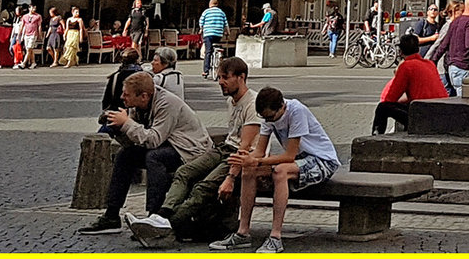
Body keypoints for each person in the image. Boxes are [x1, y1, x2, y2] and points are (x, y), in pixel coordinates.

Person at [76, 70, 213, 236]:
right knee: (125, 155)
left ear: (144, 96)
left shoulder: (167, 103)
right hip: (168, 145)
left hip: (190, 151)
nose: (122, 97)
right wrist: (119, 129)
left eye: (126, 94)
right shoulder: (137, 106)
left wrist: (126, 123)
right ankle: (111, 216)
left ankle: (154, 216)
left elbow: (153, 139)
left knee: (154, 158)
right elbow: (135, 141)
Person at [143, 56, 261, 244]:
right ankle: (162, 215)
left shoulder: (253, 103)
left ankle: (169, 225)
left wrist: (230, 178)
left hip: (240, 157)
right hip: (224, 148)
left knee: (203, 187)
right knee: (184, 172)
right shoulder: (231, 101)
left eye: (225, 77)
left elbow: (245, 148)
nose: (220, 82)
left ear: (241, 77)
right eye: (219, 77)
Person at [212, 87, 339, 253]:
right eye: (265, 118)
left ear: (282, 107)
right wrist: (245, 161)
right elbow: (259, 151)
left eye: (271, 117)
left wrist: (257, 160)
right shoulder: (268, 117)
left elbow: (289, 156)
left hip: (322, 160)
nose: (268, 121)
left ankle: (275, 236)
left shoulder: (296, 111)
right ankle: (242, 233)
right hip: (300, 160)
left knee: (281, 171)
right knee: (249, 170)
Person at [373, 33, 445, 133]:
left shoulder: (406, 67)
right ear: (418, 49)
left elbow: (391, 96)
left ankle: (376, 136)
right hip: (440, 109)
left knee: (382, 108)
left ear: (401, 52)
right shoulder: (430, 64)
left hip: (421, 111)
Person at [435, 0, 469, 96]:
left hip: (452, 67)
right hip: (463, 66)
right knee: (463, 102)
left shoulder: (454, 22)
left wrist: (434, 60)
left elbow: (444, 44)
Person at [199, 0, 230, 70]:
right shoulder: (222, 12)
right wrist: (227, 33)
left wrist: (201, 29)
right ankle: (218, 57)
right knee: (217, 44)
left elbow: (201, 22)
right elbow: (226, 24)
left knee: (208, 51)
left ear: (210, 4)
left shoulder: (206, 12)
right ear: (217, 4)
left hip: (208, 34)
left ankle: (206, 70)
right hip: (218, 34)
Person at [18, 4, 44, 69]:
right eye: (33, 8)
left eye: (35, 8)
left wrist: (40, 34)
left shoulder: (38, 16)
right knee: (29, 49)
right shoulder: (25, 16)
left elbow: (39, 25)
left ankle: (23, 63)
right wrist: (20, 33)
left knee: (29, 48)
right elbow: (22, 25)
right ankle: (33, 62)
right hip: (26, 34)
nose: (34, 10)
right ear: (29, 8)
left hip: (33, 34)